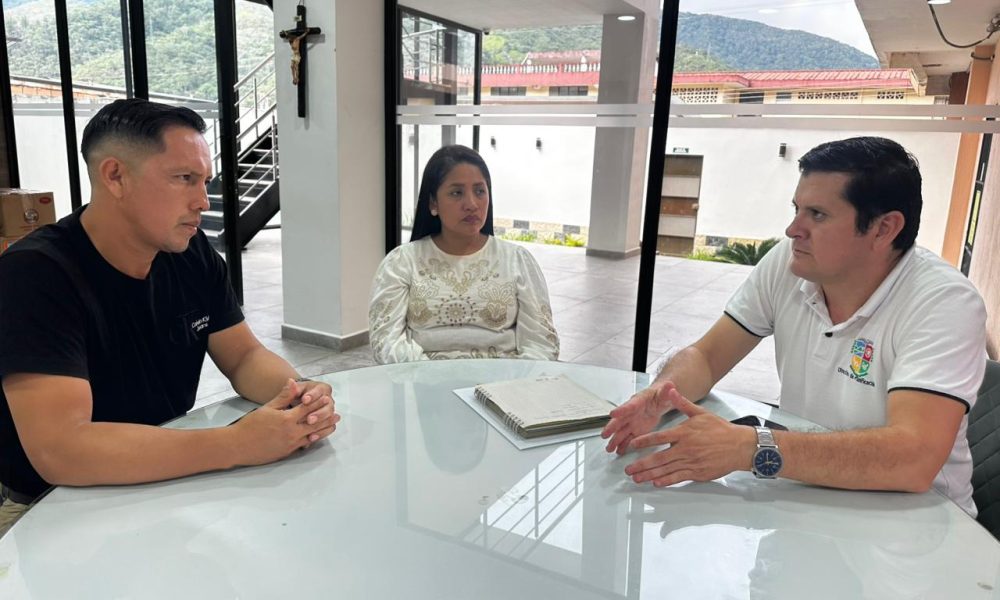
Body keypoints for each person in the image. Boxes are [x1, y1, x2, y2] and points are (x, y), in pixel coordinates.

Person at [0, 99, 340, 535]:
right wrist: (236, 444)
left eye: (205, 181)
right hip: (49, 509)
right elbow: (62, 450)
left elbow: (243, 357)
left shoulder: (191, 254)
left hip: (165, 472)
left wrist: (298, 395)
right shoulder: (35, 274)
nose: (203, 201)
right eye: (184, 179)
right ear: (115, 176)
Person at [602, 136, 987, 515]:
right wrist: (659, 396)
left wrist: (748, 447)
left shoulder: (943, 302)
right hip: (808, 491)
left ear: (883, 228)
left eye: (817, 215)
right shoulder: (791, 264)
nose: (793, 229)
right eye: (797, 209)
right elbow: (707, 356)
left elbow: (913, 458)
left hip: (917, 521)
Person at [369, 145, 559, 363]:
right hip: (422, 379)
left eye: (479, 191)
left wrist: (512, 380)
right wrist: (431, 375)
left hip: (503, 379)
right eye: (456, 193)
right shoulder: (402, 262)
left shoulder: (517, 260)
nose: (471, 204)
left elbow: (541, 344)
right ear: (433, 202)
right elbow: (387, 341)